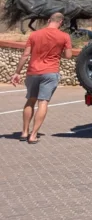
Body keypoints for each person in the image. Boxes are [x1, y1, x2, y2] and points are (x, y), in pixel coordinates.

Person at [11, 12, 73, 144]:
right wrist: (57, 53)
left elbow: (25, 55)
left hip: (33, 72)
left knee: (30, 100)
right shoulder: (64, 36)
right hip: (50, 72)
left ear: (49, 20)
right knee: (43, 102)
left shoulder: (34, 35)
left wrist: (17, 72)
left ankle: (24, 132)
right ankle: (33, 135)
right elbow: (68, 55)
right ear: (61, 22)